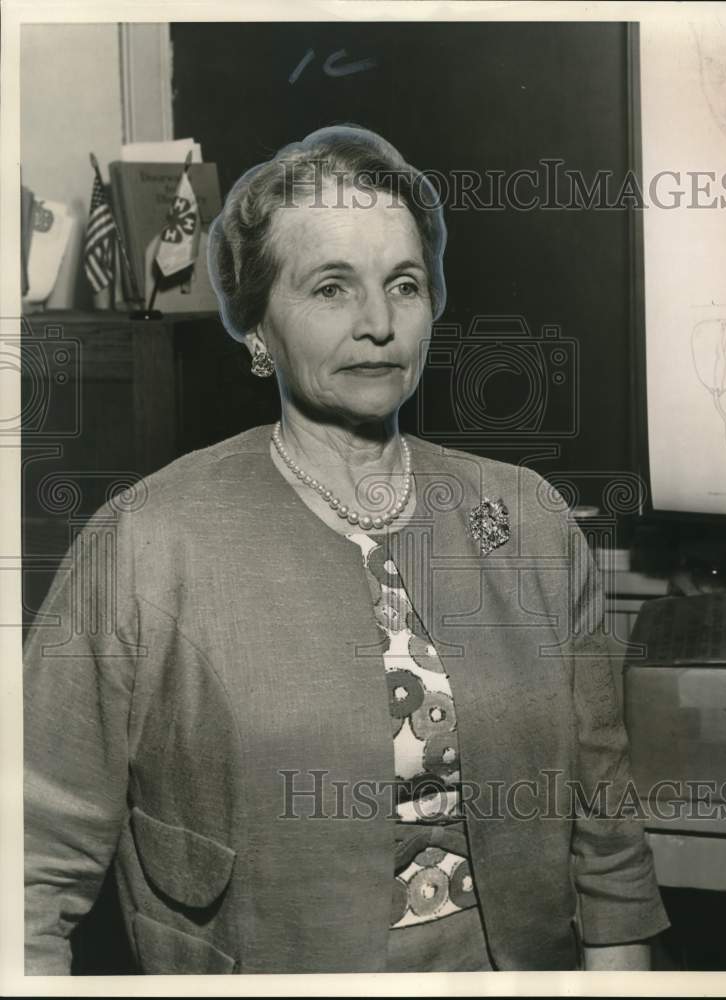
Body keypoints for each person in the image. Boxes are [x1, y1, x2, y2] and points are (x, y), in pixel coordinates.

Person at [23, 125, 670, 975]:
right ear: (256, 326)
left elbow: (605, 833)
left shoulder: (527, 518)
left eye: (402, 284)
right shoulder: (145, 542)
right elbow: (29, 868)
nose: (377, 323)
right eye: (331, 288)